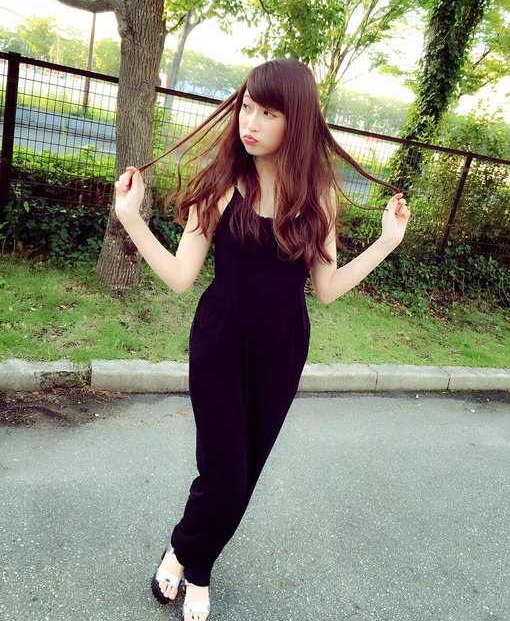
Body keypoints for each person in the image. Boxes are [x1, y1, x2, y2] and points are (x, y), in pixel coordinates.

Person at [114, 57, 410, 621]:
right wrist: (131, 217)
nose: (250, 121)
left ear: (296, 121)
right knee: (224, 473)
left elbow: (326, 288)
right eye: (247, 106)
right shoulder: (223, 187)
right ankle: (195, 565)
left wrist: (386, 243)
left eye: (269, 112)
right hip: (220, 342)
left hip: (282, 349)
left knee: (241, 475)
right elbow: (180, 276)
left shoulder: (318, 197)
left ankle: (183, 552)